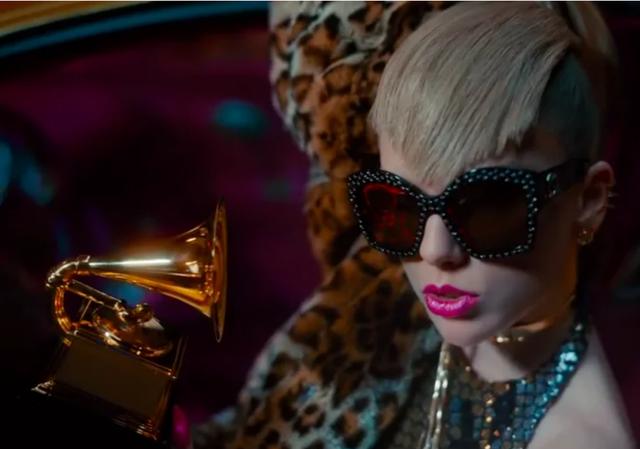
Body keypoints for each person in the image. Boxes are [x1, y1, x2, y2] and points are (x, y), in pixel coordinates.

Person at [192, 2, 636, 448]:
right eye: (399, 206)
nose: (433, 250)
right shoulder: (378, 312)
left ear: (589, 201)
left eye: (487, 207)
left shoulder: (579, 439)